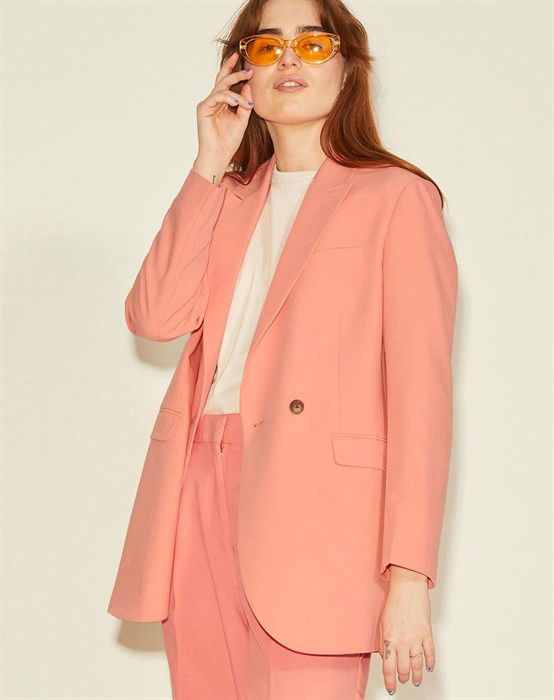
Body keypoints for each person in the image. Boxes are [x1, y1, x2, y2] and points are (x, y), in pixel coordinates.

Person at [107, 1, 459, 698]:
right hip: (196, 484)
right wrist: (209, 163)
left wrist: (409, 576)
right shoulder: (226, 195)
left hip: (321, 509)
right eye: (266, 46)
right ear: (240, 71)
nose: (289, 58)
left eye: (313, 44)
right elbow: (154, 316)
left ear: (348, 69)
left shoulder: (397, 198)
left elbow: (421, 400)